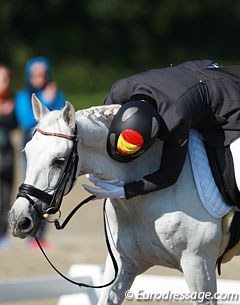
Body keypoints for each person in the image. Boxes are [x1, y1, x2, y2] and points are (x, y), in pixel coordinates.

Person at [83, 60, 240, 200]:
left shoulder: (175, 119)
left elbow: (169, 175)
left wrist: (127, 191)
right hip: (193, 71)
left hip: (229, 97)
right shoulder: (121, 89)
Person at [15, 56, 66, 248]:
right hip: (33, 152)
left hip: (52, 153)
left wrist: (51, 99)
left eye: (42, 73)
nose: (39, 77)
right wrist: (46, 101)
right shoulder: (23, 95)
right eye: (35, 74)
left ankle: (41, 234)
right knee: (32, 190)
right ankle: (28, 230)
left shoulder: (55, 93)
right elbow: (28, 121)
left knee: (50, 191)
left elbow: (62, 120)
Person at [0, 63, 17, 248]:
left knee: (6, 194)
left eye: (7, 78)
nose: (5, 82)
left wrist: (7, 114)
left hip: (7, 154)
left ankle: (3, 234)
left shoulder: (10, 99)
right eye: (2, 78)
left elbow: (14, 124)